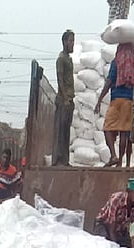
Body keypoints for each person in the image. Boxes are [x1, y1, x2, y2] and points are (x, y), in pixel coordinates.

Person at [95, 42, 134, 167]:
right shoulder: (133, 64)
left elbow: (109, 81)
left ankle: (113, 155)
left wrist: (100, 99)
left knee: (107, 128)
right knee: (124, 132)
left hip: (116, 99)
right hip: (128, 101)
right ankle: (119, 163)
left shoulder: (116, 62)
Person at [95, 177, 134, 248]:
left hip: (120, 229)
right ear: (129, 192)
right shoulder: (116, 200)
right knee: (107, 247)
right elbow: (111, 229)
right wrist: (116, 247)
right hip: (105, 225)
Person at [53, 30, 75, 167]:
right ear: (64, 42)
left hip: (69, 99)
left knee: (66, 132)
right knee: (60, 131)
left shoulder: (69, 59)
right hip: (63, 100)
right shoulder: (61, 59)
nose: (73, 44)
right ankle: (58, 160)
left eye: (73, 41)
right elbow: (60, 79)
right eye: (71, 41)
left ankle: (65, 160)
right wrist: (65, 98)